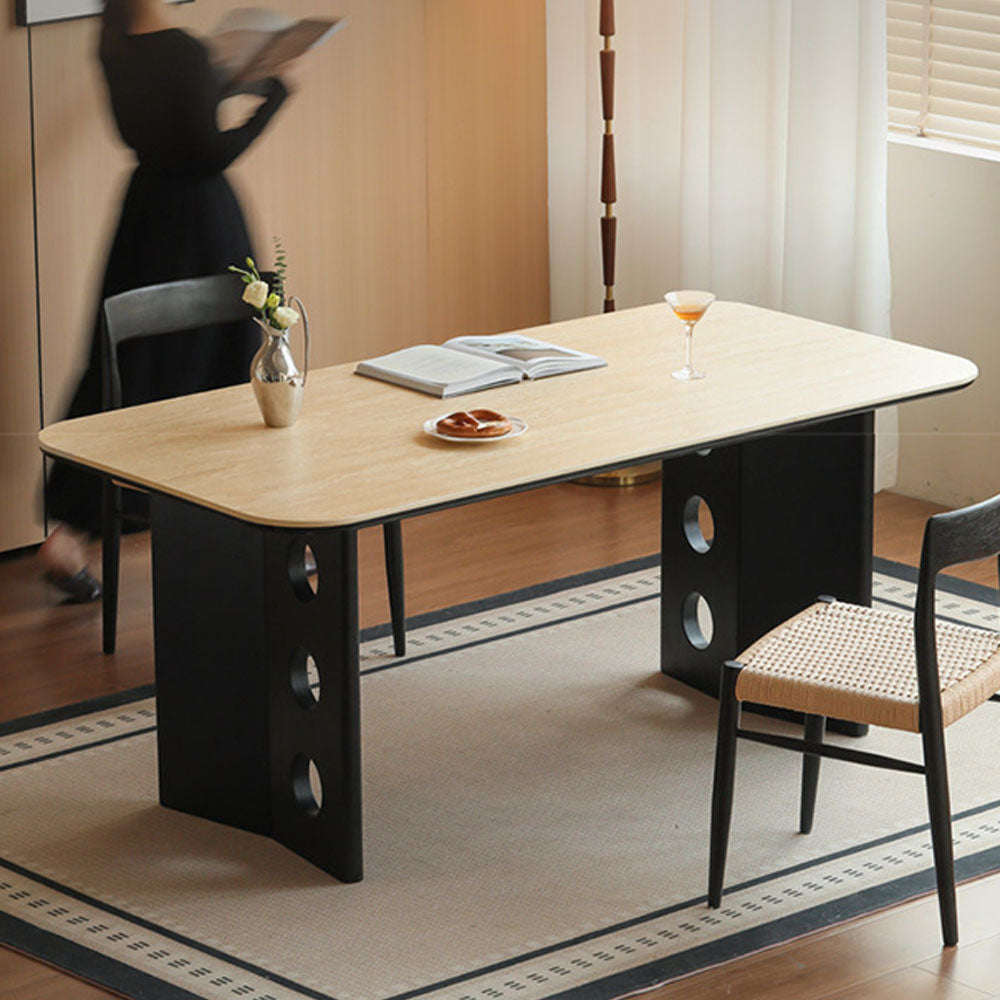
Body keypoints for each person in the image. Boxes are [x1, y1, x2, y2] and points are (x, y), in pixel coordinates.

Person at [40, 0, 297, 601]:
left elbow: (175, 126)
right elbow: (207, 151)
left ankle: (68, 534)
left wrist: (230, 78)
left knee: (125, 375)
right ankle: (238, 536)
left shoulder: (115, 42)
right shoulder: (181, 49)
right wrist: (276, 97)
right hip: (202, 227)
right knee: (221, 373)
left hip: (144, 222)